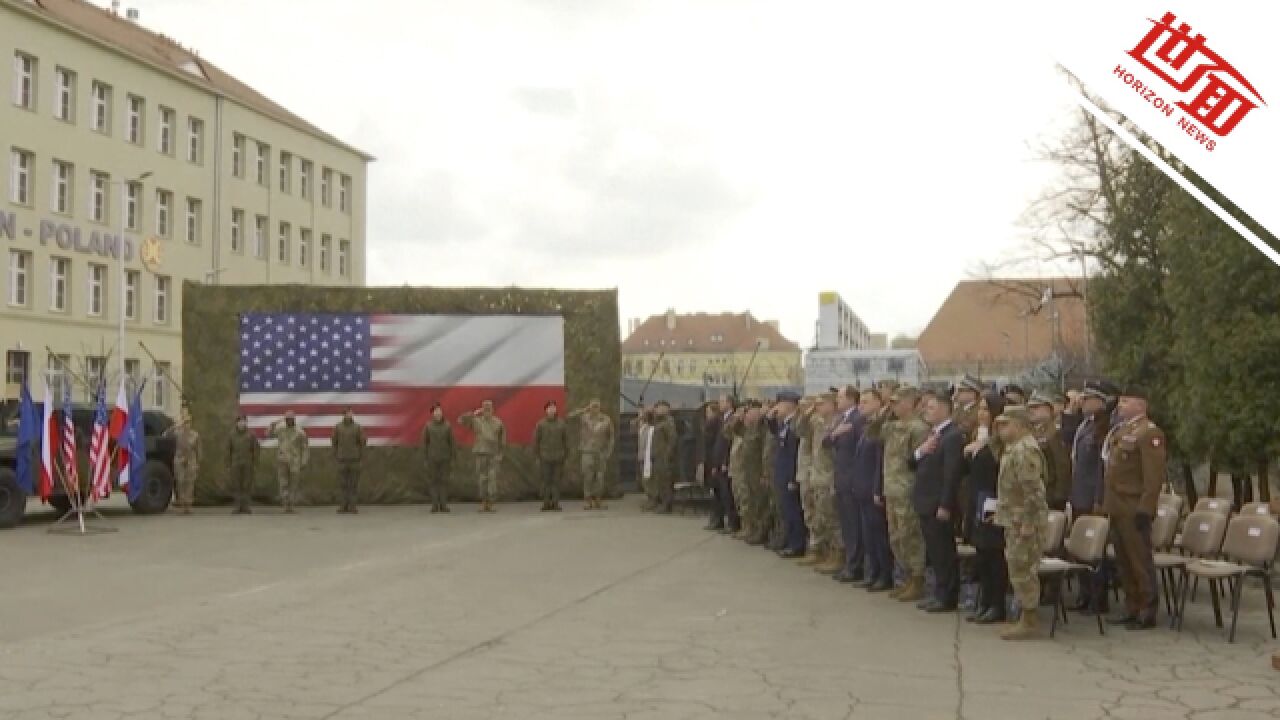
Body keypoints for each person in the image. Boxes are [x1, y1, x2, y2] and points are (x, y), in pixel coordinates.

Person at [1102, 385, 1166, 630]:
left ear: (1141, 405)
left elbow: (1153, 477)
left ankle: (1147, 609)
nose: (1120, 405)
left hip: (1133, 506)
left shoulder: (1150, 433)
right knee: (1123, 560)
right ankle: (1131, 606)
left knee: (1139, 560)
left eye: (1126, 401)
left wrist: (1146, 508)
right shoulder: (1124, 430)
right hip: (1117, 505)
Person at [993, 404, 1050, 640]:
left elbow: (1033, 491)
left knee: (1024, 568)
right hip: (1013, 517)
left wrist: (1028, 522)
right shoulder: (1012, 448)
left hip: (1024, 520)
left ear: (1019, 425)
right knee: (1016, 566)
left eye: (1005, 425)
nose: (1000, 429)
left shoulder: (1025, 450)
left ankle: (1030, 619)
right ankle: (1025, 616)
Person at [910, 394, 966, 612]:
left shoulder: (952, 436)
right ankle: (939, 592)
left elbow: (951, 474)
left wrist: (945, 504)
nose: (926, 411)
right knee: (934, 551)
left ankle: (947, 596)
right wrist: (920, 451)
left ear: (945, 410)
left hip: (937, 503)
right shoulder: (931, 434)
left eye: (932, 408)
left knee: (944, 552)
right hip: (924, 500)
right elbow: (911, 462)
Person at [879, 386, 930, 602]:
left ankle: (917, 580)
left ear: (910, 402)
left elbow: (920, 462)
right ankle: (908, 577)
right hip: (892, 488)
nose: (894, 405)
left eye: (898, 402)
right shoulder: (893, 426)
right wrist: (885, 411)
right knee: (896, 537)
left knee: (911, 537)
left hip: (907, 490)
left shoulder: (918, 428)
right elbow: (872, 432)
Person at [964, 391, 1008, 624]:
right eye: (979, 409)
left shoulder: (999, 439)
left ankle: (997, 604)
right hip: (977, 497)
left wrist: (983, 446)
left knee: (993, 553)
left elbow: (997, 464)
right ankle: (985, 601)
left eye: (985, 409)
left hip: (993, 498)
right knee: (981, 552)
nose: (981, 413)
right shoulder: (979, 434)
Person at [1068, 382, 1110, 613]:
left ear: (1100, 402)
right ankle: (1084, 595)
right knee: (1079, 550)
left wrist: (1099, 499)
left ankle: (1098, 598)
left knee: (1094, 551)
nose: (1082, 402)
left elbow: (1101, 469)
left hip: (1092, 497)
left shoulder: (1103, 428)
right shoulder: (1084, 425)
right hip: (1078, 495)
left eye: (1088, 398)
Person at [852, 388, 891, 592]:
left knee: (879, 534)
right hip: (862, 487)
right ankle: (874, 571)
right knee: (869, 535)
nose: (861, 406)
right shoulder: (865, 426)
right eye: (860, 402)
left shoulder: (881, 426)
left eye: (866, 402)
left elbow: (879, 462)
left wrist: (877, 489)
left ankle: (885, 574)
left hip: (872, 488)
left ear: (878, 402)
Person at [825, 386, 865, 582]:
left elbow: (860, 453)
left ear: (851, 398)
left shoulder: (858, 419)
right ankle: (849, 563)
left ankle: (855, 565)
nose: (837, 401)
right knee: (847, 525)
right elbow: (825, 442)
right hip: (841, 478)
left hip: (852, 480)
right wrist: (835, 433)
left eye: (840, 397)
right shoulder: (841, 420)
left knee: (854, 525)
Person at [766, 392, 807, 557]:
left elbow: (794, 454)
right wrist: (769, 417)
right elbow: (773, 431)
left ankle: (797, 544)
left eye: (780, 404)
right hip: (781, 472)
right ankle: (790, 541)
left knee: (793, 511)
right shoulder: (784, 424)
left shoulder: (795, 425)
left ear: (789, 405)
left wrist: (792, 478)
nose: (777, 408)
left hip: (789, 474)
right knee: (785, 510)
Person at [809, 392, 844, 575]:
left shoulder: (838, 423)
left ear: (832, 404)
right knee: (822, 517)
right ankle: (828, 552)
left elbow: (836, 454)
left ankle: (838, 554)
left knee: (833, 519)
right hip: (818, 476)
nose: (817, 407)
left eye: (821, 404)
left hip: (829, 477)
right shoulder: (817, 422)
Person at [1028, 391, 1072, 511]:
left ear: (1049, 409)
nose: (1031, 411)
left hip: (1049, 496)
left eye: (1036, 407)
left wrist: (1059, 497)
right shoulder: (1032, 432)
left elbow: (1062, 466)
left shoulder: (1055, 433)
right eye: (1030, 407)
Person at [459, 400, 506, 512]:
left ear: (493, 410)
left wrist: (500, 455)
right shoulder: (476, 421)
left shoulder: (498, 423)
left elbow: (502, 441)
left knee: (492, 478)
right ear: (482, 410)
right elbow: (460, 420)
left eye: (489, 409)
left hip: (493, 455)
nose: (487, 412)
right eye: (485, 409)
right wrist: (473, 414)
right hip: (480, 453)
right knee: (482, 479)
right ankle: (484, 503)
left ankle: (491, 502)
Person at [570, 399, 614, 511]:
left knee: (599, 477)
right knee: (588, 477)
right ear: (589, 406)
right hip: (587, 451)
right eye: (592, 406)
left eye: (596, 406)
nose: (594, 408)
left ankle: (598, 500)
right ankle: (588, 500)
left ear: (600, 407)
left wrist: (608, 452)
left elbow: (611, 437)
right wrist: (583, 410)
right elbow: (570, 417)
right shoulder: (584, 417)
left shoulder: (606, 419)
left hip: (600, 452)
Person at [702, 395, 738, 531]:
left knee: (727, 495)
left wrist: (724, 462)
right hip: (716, 460)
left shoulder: (732, 419)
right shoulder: (720, 419)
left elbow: (729, 443)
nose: (719, 404)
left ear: (729, 403)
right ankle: (718, 520)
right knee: (717, 493)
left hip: (725, 461)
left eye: (722, 401)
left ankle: (732, 523)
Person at [792, 396, 819, 563]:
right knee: (808, 512)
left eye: (805, 406)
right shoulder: (804, 421)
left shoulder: (815, 421)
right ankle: (814, 547)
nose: (802, 409)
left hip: (812, 473)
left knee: (815, 513)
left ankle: (817, 548)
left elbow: (803, 432)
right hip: (804, 472)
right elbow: (796, 431)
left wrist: (808, 414)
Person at [268, 410, 309, 513]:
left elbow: (304, 447)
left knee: (294, 485)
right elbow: (269, 434)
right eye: (287, 419)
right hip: (283, 460)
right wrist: (272, 425)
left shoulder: (300, 431)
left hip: (295, 461)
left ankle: (291, 505)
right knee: (283, 483)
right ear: (285, 419)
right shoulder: (280, 429)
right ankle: (286, 504)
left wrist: (304, 461)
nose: (289, 420)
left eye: (291, 419)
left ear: (294, 419)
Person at [164, 405, 202, 515]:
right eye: (185, 422)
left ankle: (188, 506)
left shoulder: (195, 435)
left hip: (191, 461)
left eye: (188, 423)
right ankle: (181, 504)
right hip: (179, 460)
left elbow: (199, 450)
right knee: (180, 482)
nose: (186, 425)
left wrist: (198, 463)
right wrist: (175, 426)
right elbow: (165, 434)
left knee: (190, 483)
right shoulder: (177, 433)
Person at [532, 400, 569, 512]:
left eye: (553, 407)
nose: (552, 409)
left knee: (556, 481)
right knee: (546, 481)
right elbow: (536, 441)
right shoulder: (541, 424)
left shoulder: (562, 424)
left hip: (559, 457)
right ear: (546, 410)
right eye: (549, 408)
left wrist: (566, 455)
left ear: (556, 409)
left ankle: (556, 503)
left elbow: (566, 441)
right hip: (545, 457)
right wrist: (537, 456)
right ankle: (546, 503)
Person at [331, 407, 367, 514]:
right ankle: (343, 506)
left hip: (354, 459)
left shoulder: (358, 427)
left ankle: (352, 506)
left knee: (353, 484)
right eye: (347, 413)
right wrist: (336, 455)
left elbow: (362, 442)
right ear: (344, 415)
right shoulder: (338, 427)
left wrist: (360, 455)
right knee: (343, 484)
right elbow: (334, 442)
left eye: (351, 413)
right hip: (342, 459)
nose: (350, 415)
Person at [421, 403, 455, 512]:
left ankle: (444, 505)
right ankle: (435, 505)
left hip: (445, 458)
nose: (438, 413)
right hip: (432, 458)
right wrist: (425, 458)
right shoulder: (428, 426)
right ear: (432, 414)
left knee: (444, 481)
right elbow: (424, 443)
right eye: (436, 411)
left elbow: (452, 443)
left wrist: (453, 456)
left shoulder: (448, 426)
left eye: (440, 411)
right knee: (433, 481)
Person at [226, 414, 260, 514]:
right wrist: (228, 464)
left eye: (244, 421)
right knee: (236, 485)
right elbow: (228, 450)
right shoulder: (231, 435)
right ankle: (237, 506)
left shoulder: (251, 434)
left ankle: (246, 506)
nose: (242, 423)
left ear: (246, 422)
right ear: (236, 423)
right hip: (235, 463)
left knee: (247, 485)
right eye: (240, 421)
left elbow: (256, 449)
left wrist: (255, 463)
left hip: (248, 463)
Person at [650, 401, 679, 513]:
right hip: (657, 455)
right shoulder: (658, 421)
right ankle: (661, 502)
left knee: (665, 481)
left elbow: (672, 439)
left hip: (664, 457)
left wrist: (668, 454)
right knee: (659, 480)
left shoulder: (668, 422)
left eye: (660, 408)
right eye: (657, 408)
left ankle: (666, 505)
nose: (657, 410)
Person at [636, 407, 658, 511]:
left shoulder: (654, 429)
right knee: (644, 480)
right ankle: (649, 498)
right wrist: (639, 415)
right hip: (641, 456)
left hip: (649, 457)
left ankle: (653, 500)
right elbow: (633, 425)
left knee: (650, 479)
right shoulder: (643, 427)